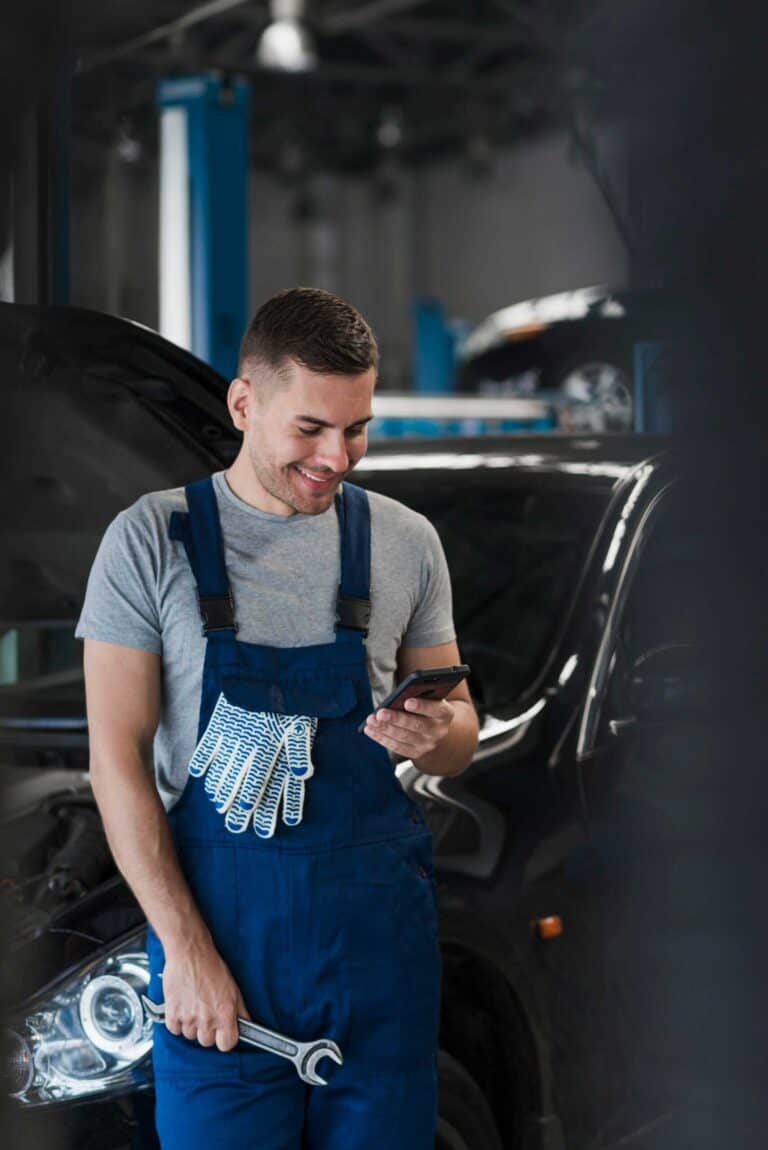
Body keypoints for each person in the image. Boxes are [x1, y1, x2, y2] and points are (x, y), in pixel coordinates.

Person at [77, 287, 478, 1150]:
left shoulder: (406, 543)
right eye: (310, 429)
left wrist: (435, 735)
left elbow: (462, 731)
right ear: (243, 402)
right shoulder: (149, 542)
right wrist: (185, 957)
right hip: (218, 975)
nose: (338, 456)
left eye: (358, 427)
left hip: (379, 977)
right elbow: (115, 764)